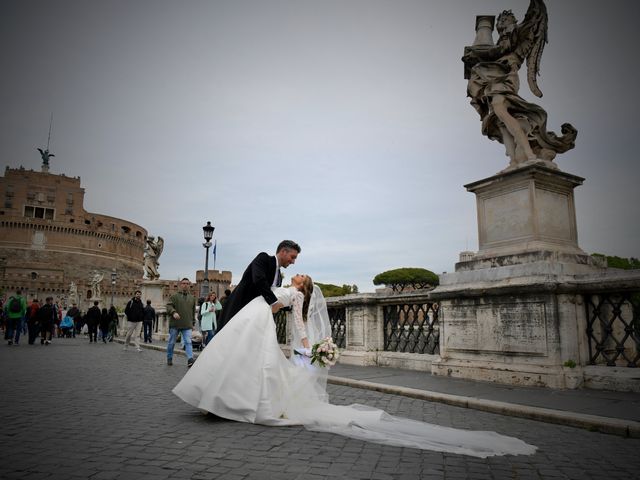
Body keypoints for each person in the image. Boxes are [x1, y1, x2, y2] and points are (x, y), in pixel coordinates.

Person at [173, 274, 537, 458]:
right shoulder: (286, 285)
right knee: (245, 364)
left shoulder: (297, 294)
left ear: (304, 286)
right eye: (298, 274)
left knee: (254, 367)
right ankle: (225, 399)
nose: (298, 276)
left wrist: (304, 345)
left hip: (258, 323)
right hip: (255, 321)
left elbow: (298, 321)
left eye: (301, 277)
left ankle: (230, 400)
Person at [216, 240, 300, 332]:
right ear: (283, 251)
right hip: (239, 310)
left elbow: (274, 295)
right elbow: (259, 280)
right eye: (292, 257)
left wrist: (291, 306)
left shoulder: (279, 276)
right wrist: (274, 303)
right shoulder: (263, 258)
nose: (293, 262)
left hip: (256, 319)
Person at [166, 278, 196, 367]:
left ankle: (190, 359)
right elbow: (169, 306)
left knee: (188, 342)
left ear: (189, 285)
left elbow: (193, 311)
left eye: (187, 283)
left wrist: (193, 322)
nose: (185, 285)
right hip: (175, 324)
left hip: (187, 325)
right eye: (184, 283)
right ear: (180, 284)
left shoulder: (192, 298)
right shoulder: (174, 296)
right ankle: (169, 357)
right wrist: (173, 312)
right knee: (171, 342)